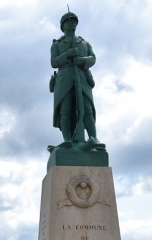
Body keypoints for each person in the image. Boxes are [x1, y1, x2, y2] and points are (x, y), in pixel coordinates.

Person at [50, 11, 102, 150]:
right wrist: (68, 54)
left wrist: (82, 61)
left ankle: (94, 139)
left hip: (82, 77)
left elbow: (93, 58)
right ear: (63, 25)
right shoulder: (57, 44)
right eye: (69, 21)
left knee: (87, 109)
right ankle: (67, 140)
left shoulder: (84, 43)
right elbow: (54, 62)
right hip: (64, 78)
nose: (72, 23)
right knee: (65, 110)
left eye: (74, 21)